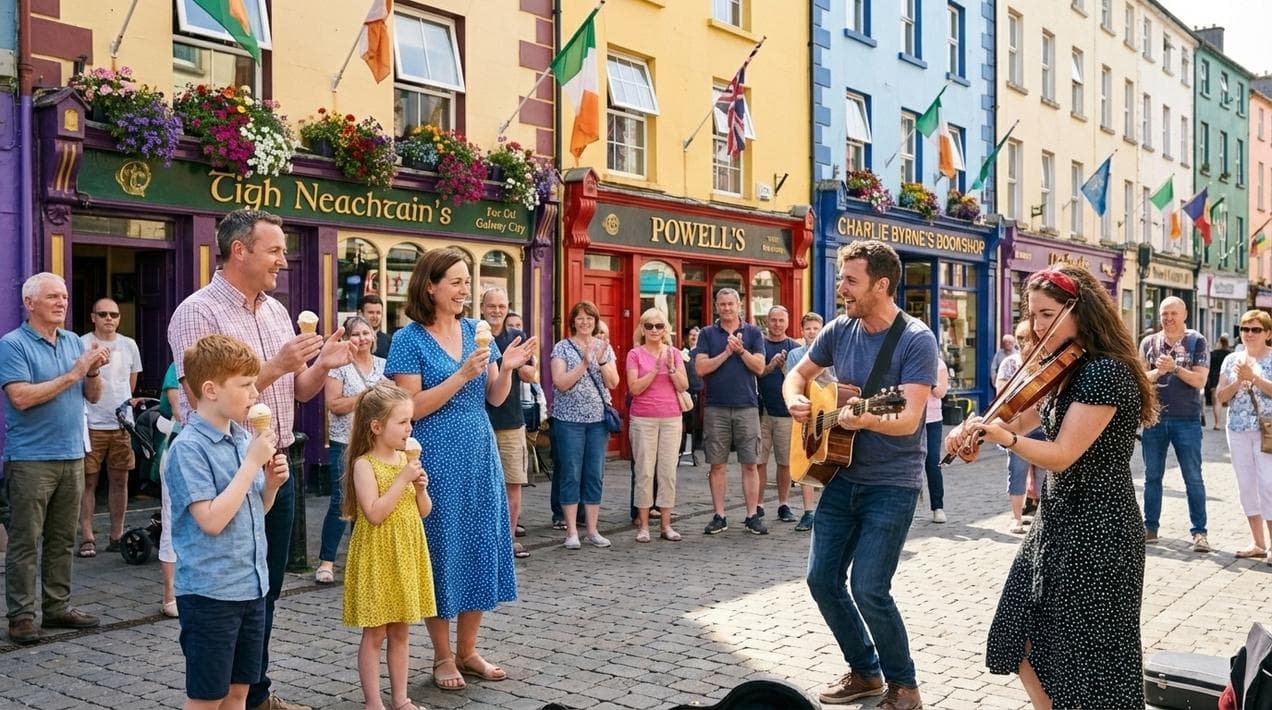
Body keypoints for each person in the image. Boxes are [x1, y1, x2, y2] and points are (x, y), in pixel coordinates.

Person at [947, 265, 1156, 709]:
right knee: (1019, 633)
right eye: (1033, 315)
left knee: (1089, 661)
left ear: (1079, 311)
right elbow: (1018, 418)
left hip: (1099, 529)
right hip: (1058, 521)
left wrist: (1004, 439)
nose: (1037, 326)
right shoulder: (1063, 368)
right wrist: (974, 430)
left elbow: (1062, 453)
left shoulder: (1104, 374)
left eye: (1047, 314)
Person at [169, 208, 353, 710]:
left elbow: (298, 390)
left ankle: (254, 692)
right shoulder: (198, 312)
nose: (284, 260)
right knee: (225, 590)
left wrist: (321, 366)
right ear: (239, 251)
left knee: (262, 589)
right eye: (274, 250)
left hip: (276, 465)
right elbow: (196, 404)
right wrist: (275, 365)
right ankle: (219, 694)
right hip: (226, 466)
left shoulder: (274, 311)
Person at [783, 241, 936, 709]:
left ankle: (904, 685)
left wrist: (865, 418)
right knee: (821, 580)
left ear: (881, 284)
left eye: (851, 280)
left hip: (892, 481)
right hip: (839, 474)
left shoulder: (916, 339)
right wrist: (794, 399)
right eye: (841, 278)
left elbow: (909, 418)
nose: (841, 288)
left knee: (869, 586)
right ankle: (865, 673)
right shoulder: (838, 329)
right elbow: (796, 374)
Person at [386, 248, 536, 692]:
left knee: (479, 545)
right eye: (454, 281)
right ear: (429, 286)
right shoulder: (408, 339)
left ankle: (469, 650)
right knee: (440, 550)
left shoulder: (477, 330)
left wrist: (504, 369)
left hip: (478, 449)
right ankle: (442, 656)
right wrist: (460, 375)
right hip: (433, 453)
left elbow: (492, 396)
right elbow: (409, 407)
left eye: (466, 281)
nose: (463, 289)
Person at [165, 334, 291, 710]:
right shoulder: (188, 449)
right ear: (211, 390)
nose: (255, 393)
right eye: (245, 385)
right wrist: (252, 464)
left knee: (238, 693)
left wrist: (269, 486)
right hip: (210, 594)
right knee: (207, 697)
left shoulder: (241, 437)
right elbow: (212, 521)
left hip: (251, 587)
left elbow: (252, 513)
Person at [0, 272, 110, 645]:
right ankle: (20, 617)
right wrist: (75, 372)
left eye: (64, 296)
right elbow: (21, 398)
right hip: (30, 458)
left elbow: (92, 396)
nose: (62, 303)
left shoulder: (73, 342)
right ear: (30, 303)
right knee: (25, 540)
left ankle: (57, 606)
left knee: (63, 538)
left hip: (71, 454)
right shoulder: (13, 344)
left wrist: (92, 371)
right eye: (52, 297)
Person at [340, 383, 435, 710]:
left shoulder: (405, 460)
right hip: (378, 555)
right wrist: (402, 479)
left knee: (401, 632)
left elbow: (423, 511)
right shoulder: (364, 465)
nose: (409, 429)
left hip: (406, 553)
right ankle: (373, 703)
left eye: (410, 421)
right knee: (375, 633)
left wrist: (420, 489)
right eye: (402, 422)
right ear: (376, 427)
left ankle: (400, 699)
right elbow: (375, 513)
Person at [315, 316, 386, 584]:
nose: (362, 339)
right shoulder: (340, 368)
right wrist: (368, 395)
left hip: (374, 443)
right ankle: (326, 562)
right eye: (356, 335)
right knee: (341, 502)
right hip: (344, 442)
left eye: (366, 333)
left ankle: (362, 561)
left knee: (369, 502)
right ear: (347, 339)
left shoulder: (384, 366)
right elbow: (334, 405)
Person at [1139, 296, 1210, 551]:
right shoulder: (1149, 342)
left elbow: (1201, 381)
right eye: (1164, 314)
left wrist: (1175, 369)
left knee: (1193, 477)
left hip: (1187, 419)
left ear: (1185, 314)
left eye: (1173, 313)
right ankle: (1150, 528)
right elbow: (1140, 379)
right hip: (1154, 419)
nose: (1168, 318)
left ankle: (1199, 533)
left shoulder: (1196, 341)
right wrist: (1158, 372)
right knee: (1152, 476)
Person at [695, 288, 766, 535]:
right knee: (717, 464)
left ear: (739, 306)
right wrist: (726, 353)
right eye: (722, 304)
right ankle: (719, 515)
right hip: (716, 407)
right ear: (716, 306)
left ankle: (751, 516)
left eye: (730, 304)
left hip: (747, 405)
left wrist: (741, 351)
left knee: (750, 463)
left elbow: (759, 367)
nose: (726, 308)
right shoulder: (706, 334)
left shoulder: (754, 332)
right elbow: (701, 368)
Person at [550, 302, 620, 549]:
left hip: (598, 421)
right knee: (570, 473)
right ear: (573, 321)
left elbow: (613, 382)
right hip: (569, 422)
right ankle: (571, 532)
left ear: (596, 321)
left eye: (589, 318)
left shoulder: (604, 347)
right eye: (580, 318)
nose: (585, 322)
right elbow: (560, 383)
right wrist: (583, 363)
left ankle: (592, 530)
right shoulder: (562, 348)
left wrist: (600, 361)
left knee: (594, 475)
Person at [78, 297, 143, 557]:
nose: (109, 319)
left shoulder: (129, 345)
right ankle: (87, 536)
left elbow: (131, 382)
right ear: (93, 317)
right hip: (90, 422)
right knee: (87, 481)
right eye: (103, 314)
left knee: (120, 479)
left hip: (121, 424)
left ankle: (116, 534)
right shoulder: (81, 343)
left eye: (114, 315)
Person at [481, 288, 536, 560]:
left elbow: (531, 375)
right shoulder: (473, 333)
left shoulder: (516, 336)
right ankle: (484, 540)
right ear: (482, 308)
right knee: (481, 485)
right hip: (480, 420)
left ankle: (509, 540)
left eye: (501, 306)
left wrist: (513, 364)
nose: (497, 310)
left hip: (511, 420)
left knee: (513, 482)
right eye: (491, 305)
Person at [626, 308, 688, 543]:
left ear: (666, 329)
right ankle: (643, 526)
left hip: (671, 418)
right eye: (649, 326)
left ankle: (666, 525)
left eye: (659, 326)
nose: (654, 330)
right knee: (644, 471)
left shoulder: (674, 353)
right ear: (642, 329)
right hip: (643, 418)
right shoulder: (634, 354)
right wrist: (654, 369)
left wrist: (671, 368)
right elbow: (635, 388)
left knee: (668, 472)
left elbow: (683, 385)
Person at [1215, 311, 1272, 561]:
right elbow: (1220, 396)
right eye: (1245, 328)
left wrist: (1254, 378)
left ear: (1268, 334)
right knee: (1246, 486)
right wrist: (1238, 381)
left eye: (1256, 329)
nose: (1249, 333)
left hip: (1267, 430)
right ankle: (1258, 543)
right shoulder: (1231, 360)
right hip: (1237, 429)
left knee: (1268, 484)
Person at [995, 321, 1045, 535]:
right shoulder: (1009, 364)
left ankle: (1043, 518)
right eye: (1020, 338)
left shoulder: (1046, 363)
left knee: (1045, 475)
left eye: (1028, 338)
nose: (1024, 343)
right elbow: (1002, 396)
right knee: (1017, 471)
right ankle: (1016, 517)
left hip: (1042, 426)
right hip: (1017, 425)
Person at [784, 312, 833, 532]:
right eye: (808, 328)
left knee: (827, 462)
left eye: (816, 328)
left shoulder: (833, 352)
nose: (812, 332)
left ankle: (827, 511)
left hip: (829, 411)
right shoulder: (795, 355)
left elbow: (836, 384)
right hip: (806, 414)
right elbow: (794, 381)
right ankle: (808, 512)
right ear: (802, 331)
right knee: (806, 461)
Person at [757, 306, 800, 524]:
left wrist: (784, 369)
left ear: (787, 321)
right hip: (762, 412)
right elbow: (756, 373)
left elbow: (801, 379)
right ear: (767, 321)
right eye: (773, 320)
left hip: (785, 413)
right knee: (759, 462)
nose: (777, 324)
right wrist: (771, 365)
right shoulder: (759, 344)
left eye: (781, 320)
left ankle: (784, 504)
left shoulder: (794, 347)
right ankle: (758, 505)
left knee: (785, 463)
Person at [157, 361, 182, 618]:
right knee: (172, 518)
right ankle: (170, 593)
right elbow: (181, 411)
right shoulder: (176, 369)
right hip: (179, 446)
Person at [923, 357, 950, 524]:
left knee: (932, 462)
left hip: (932, 420)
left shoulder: (939, 364)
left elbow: (941, 393)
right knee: (908, 464)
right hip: (910, 418)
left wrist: (928, 377)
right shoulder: (906, 359)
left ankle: (937, 507)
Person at [681, 326, 704, 463]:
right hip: (682, 392)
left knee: (692, 423)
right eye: (691, 334)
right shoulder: (682, 352)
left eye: (697, 334)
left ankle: (690, 450)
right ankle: (683, 450)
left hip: (695, 392)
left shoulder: (700, 353)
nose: (694, 337)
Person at [1208, 334, 1233, 431]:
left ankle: (1217, 423)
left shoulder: (1213, 354)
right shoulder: (1230, 354)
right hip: (1228, 378)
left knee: (1217, 402)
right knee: (1231, 401)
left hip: (1215, 378)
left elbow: (1208, 367)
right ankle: (1230, 422)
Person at [359, 294, 392, 359]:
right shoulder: (353, 339)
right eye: (371, 312)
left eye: (378, 313)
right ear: (361, 314)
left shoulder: (390, 341)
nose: (375, 316)